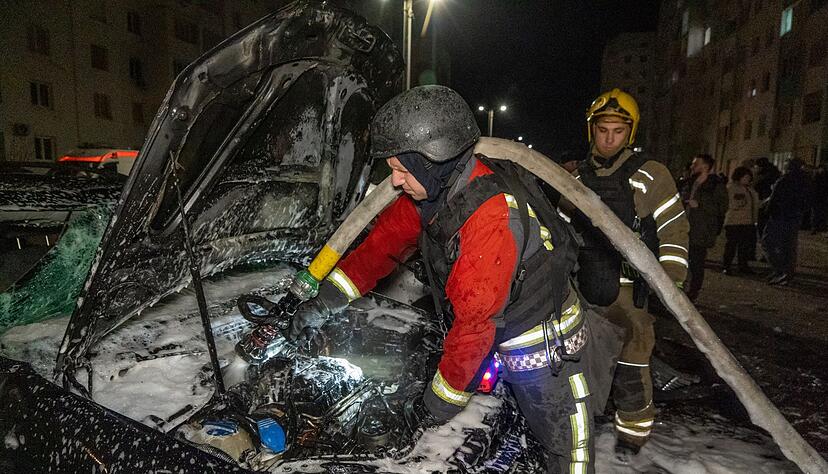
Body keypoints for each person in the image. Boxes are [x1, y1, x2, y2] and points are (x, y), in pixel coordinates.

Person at [289, 85, 597, 473]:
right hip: (495, 330)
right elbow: (379, 248)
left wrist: (431, 408)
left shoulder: (491, 217)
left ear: (431, 163)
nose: (396, 182)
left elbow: (473, 328)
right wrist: (324, 300)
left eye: (402, 170)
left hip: (545, 348)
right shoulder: (433, 195)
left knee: (567, 451)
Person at [565, 89, 689, 455]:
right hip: (586, 288)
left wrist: (670, 281)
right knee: (580, 363)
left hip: (629, 293)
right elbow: (560, 229)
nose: (608, 138)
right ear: (592, 130)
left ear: (630, 133)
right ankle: (580, 427)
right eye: (602, 129)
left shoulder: (652, 175)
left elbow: (674, 228)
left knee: (632, 368)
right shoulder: (576, 177)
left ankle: (631, 440)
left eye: (617, 131)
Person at [682, 154, 727, 301]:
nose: (692, 167)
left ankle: (693, 292)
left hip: (701, 230)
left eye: (696, 164)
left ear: (706, 166)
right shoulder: (690, 182)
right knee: (681, 260)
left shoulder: (715, 185)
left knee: (696, 263)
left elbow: (721, 208)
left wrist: (700, 205)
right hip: (686, 227)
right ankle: (680, 288)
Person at [763, 159, 809, 285]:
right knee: (789, 245)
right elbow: (808, 200)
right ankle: (786, 272)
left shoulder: (784, 180)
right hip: (794, 217)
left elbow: (774, 198)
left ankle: (780, 270)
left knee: (768, 242)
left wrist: (767, 212)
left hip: (779, 216)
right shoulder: (805, 181)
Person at [722, 166, 759, 275]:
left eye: (749, 177)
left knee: (744, 246)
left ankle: (743, 266)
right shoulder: (732, 188)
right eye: (745, 177)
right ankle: (727, 266)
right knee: (732, 245)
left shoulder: (750, 190)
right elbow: (731, 204)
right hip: (734, 222)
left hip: (748, 222)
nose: (747, 179)